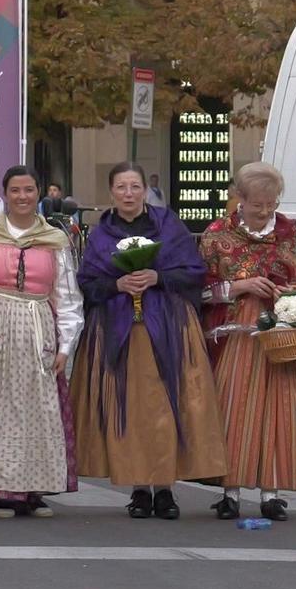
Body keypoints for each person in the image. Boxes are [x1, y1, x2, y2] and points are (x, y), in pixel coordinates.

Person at [74, 162, 226, 520]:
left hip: (168, 325)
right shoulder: (100, 233)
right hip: (117, 326)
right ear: (111, 192)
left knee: (166, 406)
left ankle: (165, 488)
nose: (128, 194)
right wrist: (117, 284)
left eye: (134, 186)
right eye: (121, 187)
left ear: (145, 189)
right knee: (127, 408)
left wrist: (157, 276)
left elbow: (193, 270)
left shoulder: (167, 224)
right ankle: (139, 488)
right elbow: (87, 281)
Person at [199, 161, 296, 521]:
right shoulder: (216, 235)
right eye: (257, 203)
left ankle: (271, 492)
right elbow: (197, 289)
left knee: (278, 411)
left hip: (280, 333)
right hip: (236, 335)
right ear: (239, 198)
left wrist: (293, 293)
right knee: (234, 408)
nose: (265, 210)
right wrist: (238, 287)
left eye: (270, 203)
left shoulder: (288, 233)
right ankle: (229, 491)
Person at [0, 166, 81, 519]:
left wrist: (64, 346)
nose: (23, 197)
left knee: (39, 411)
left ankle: (33, 489)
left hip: (38, 328)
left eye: (29, 190)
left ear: (39, 192)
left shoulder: (55, 239)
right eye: (15, 190)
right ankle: (1, 490)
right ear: (6, 194)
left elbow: (68, 296)